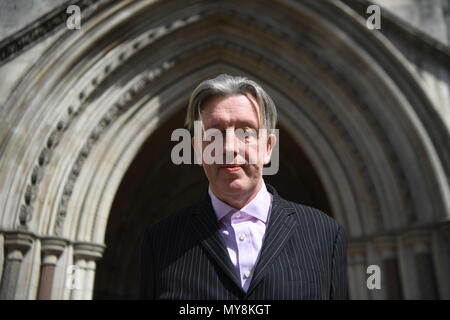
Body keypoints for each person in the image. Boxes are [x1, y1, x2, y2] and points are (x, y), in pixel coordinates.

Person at [140, 74, 347, 299]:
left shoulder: (325, 234)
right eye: (214, 134)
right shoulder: (160, 241)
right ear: (198, 149)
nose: (229, 147)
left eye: (245, 132)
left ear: (268, 147)